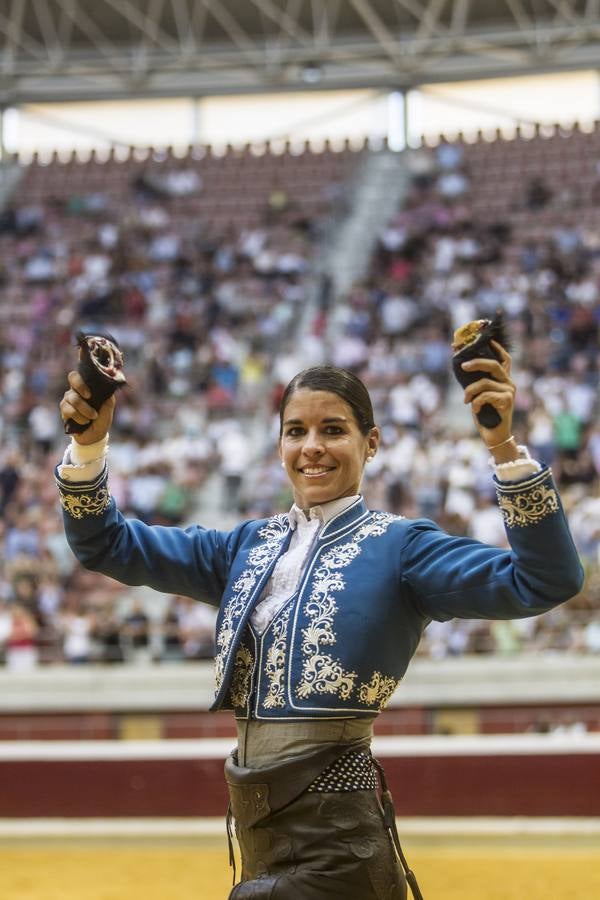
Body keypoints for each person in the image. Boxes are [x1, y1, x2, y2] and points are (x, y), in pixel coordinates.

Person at [56, 344, 583, 900]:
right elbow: (106, 544)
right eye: (295, 431)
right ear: (279, 442)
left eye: (333, 430)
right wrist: (89, 445)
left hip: (341, 845)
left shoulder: (402, 548)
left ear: (370, 443)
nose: (312, 448)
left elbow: (546, 579)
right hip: (259, 841)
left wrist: (502, 447)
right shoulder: (244, 548)